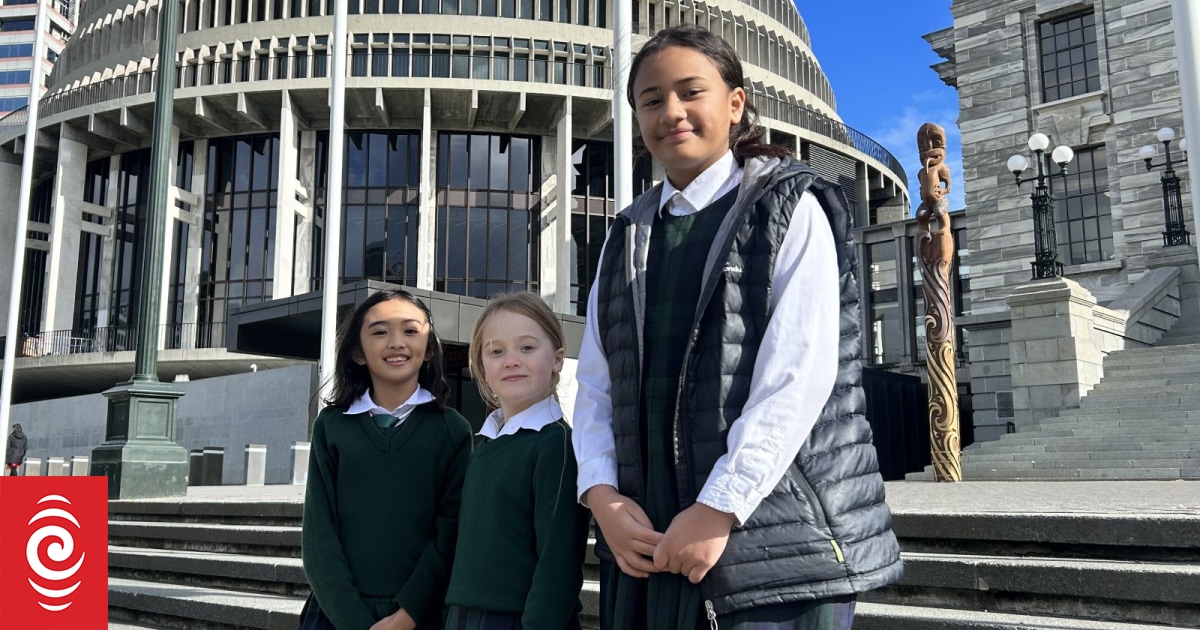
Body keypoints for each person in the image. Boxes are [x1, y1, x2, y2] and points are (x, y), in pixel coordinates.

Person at [572, 24, 904, 630]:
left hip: (774, 548)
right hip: (649, 543)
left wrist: (718, 508)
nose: (670, 111)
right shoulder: (624, 236)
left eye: (690, 91)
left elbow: (798, 376)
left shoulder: (789, 205)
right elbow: (596, 384)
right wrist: (602, 497)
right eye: (650, 100)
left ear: (735, 103)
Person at [301, 289, 473, 630]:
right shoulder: (332, 427)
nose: (396, 342)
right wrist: (352, 620)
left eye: (410, 331)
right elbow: (318, 534)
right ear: (358, 353)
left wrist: (408, 614)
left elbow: (450, 533)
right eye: (380, 332)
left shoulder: (453, 431)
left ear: (429, 350)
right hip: (335, 614)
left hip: (421, 616)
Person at [444, 292, 589, 630]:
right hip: (461, 617)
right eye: (496, 351)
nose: (511, 360)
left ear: (557, 359)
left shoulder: (556, 445)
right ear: (481, 366)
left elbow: (559, 564)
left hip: (521, 620)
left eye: (526, 348)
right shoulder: (486, 443)